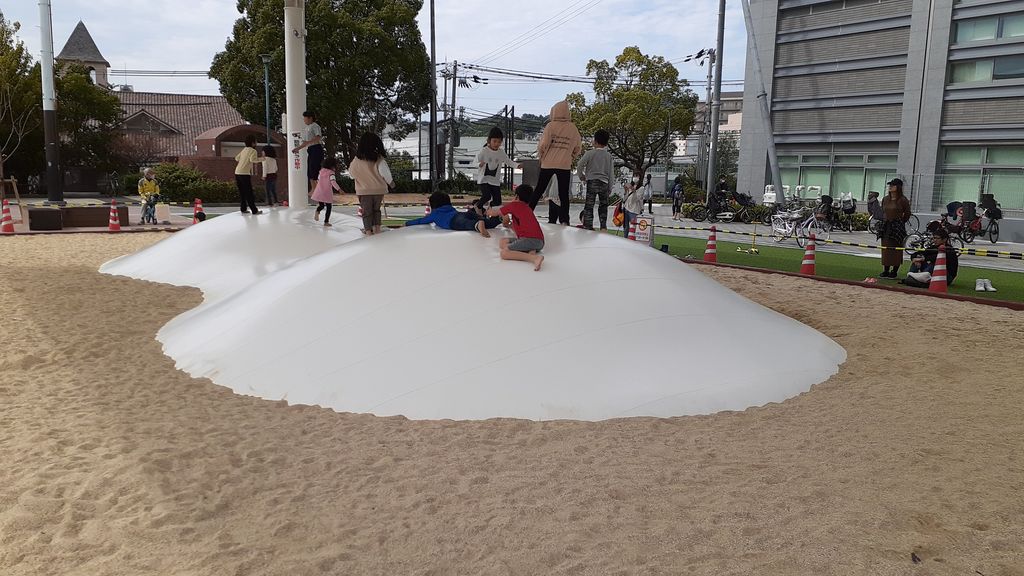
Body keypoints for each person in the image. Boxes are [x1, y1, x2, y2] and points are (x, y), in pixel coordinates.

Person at [529, 100, 582, 225]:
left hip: (548, 163)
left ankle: (528, 213)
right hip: (564, 164)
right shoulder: (573, 128)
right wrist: (571, 156)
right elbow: (578, 147)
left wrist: (541, 156)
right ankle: (564, 220)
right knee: (563, 194)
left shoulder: (550, 126)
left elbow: (543, 144)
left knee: (539, 190)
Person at [486, 185, 544, 271]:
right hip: (537, 241)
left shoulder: (515, 205)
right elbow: (520, 227)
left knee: (504, 253)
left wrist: (488, 210)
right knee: (503, 241)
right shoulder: (527, 208)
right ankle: (529, 250)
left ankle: (533, 258)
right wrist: (509, 225)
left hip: (530, 240)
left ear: (517, 196)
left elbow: (494, 213)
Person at [349, 132, 393, 235]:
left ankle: (368, 232)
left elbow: (351, 174)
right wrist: (392, 184)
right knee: (376, 210)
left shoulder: (357, 160)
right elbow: (385, 174)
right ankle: (377, 230)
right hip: (379, 191)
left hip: (364, 191)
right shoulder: (379, 159)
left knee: (367, 212)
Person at [406, 191, 501, 237]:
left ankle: (477, 225)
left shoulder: (434, 214)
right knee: (487, 223)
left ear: (433, 205)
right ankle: (498, 219)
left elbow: (420, 221)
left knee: (466, 224)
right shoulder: (449, 207)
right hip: (462, 214)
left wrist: (407, 223)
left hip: (453, 221)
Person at [576, 128, 614, 230]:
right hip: (604, 183)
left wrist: (582, 177)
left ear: (595, 141)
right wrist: (610, 187)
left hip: (591, 181)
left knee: (589, 206)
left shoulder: (589, 153)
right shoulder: (609, 156)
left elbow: (579, 165)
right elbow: (611, 173)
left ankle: (588, 226)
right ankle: (603, 227)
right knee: (603, 206)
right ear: (606, 143)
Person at [474, 126, 518, 212]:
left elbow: (508, 161)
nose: (497, 144)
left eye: (499, 142)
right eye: (494, 141)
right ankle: (477, 207)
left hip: (494, 180)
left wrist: (517, 165)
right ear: (489, 141)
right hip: (484, 179)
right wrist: (479, 164)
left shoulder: (501, 152)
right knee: (487, 196)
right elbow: (474, 162)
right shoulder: (484, 151)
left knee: (498, 201)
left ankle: (490, 211)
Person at [878, 178, 911, 278]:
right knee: (886, 248)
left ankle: (894, 271)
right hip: (886, 225)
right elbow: (882, 211)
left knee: (896, 248)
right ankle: (886, 270)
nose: (890, 187)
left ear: (898, 187)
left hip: (897, 226)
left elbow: (907, 213)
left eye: (893, 185)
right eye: (890, 185)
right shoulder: (885, 199)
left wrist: (900, 222)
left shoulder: (903, 200)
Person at [291, 111, 324, 193]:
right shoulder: (306, 128)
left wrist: (309, 142)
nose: (304, 120)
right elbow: (305, 142)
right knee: (310, 170)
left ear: (310, 118)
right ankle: (313, 188)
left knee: (315, 168)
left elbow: (318, 137)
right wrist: (297, 148)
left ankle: (317, 188)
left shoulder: (315, 126)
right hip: (310, 149)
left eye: (305, 118)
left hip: (316, 148)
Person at [234, 134, 262, 215]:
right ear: (253, 143)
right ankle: (254, 210)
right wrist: (263, 159)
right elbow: (253, 160)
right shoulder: (253, 151)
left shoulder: (244, 149)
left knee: (242, 192)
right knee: (249, 192)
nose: (256, 143)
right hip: (244, 174)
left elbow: (236, 158)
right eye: (256, 142)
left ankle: (243, 209)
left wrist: (243, 161)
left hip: (237, 172)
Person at [310, 157, 342, 227]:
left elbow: (318, 180)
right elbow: (333, 182)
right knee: (329, 207)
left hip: (319, 191)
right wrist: (339, 189)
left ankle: (317, 211)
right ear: (332, 165)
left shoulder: (321, 171)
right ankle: (326, 222)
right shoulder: (331, 173)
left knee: (321, 205)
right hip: (327, 192)